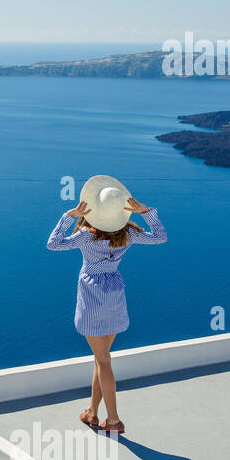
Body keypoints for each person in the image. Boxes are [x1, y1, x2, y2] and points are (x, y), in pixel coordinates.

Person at [46, 175, 167, 434]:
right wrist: (146, 212)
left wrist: (68, 216)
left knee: (103, 361)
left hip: (91, 295)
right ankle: (92, 412)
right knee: (100, 359)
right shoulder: (129, 234)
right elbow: (160, 237)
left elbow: (53, 244)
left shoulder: (86, 236)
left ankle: (113, 420)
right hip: (114, 293)